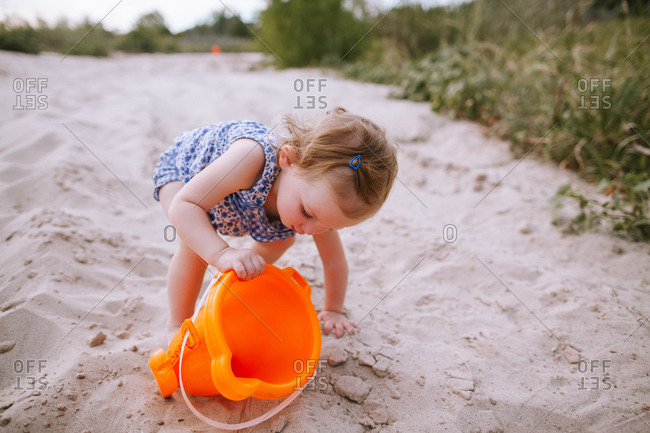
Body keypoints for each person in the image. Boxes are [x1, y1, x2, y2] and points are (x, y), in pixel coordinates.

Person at [152, 107, 397, 342]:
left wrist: (333, 310)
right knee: (193, 243)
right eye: (307, 213)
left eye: (329, 226)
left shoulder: (319, 206)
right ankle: (177, 323)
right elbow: (185, 206)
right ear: (288, 160)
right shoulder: (249, 159)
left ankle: (236, 279)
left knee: (282, 238)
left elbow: (333, 261)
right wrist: (222, 253)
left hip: (233, 206)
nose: (311, 230)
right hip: (185, 178)